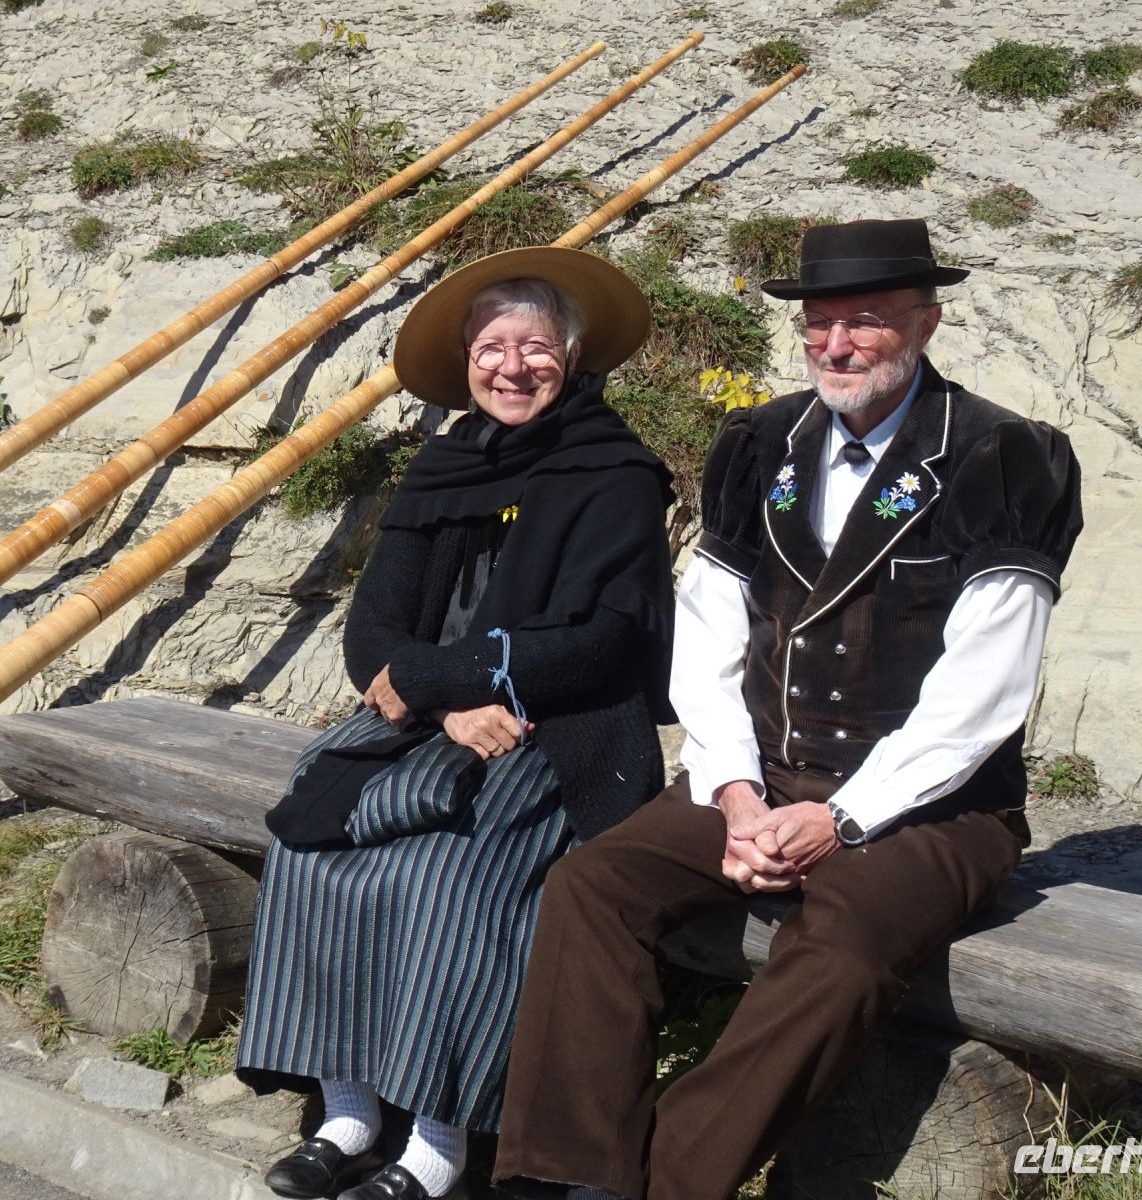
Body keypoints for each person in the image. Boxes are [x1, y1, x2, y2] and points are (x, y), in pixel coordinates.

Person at [492, 218, 1085, 1200]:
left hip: (932, 809)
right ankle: (565, 1174)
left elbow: (983, 690)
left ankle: (672, 1182)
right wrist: (734, 792)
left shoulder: (1003, 457)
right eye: (819, 324)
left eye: (865, 321)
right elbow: (707, 632)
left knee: (843, 948)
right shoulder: (761, 441)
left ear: (926, 322)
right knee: (593, 885)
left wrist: (839, 819)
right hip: (760, 778)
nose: (836, 346)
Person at [236, 245, 677, 1200]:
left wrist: (440, 678)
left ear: (572, 356)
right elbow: (372, 632)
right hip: (435, 719)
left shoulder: (616, 474)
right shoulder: (443, 466)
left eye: (535, 346)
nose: (512, 367)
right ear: (467, 362)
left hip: (555, 733)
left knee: (450, 881)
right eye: (491, 348)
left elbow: (600, 644)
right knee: (310, 844)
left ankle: (437, 1146)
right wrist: (444, 703)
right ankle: (349, 1114)